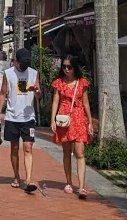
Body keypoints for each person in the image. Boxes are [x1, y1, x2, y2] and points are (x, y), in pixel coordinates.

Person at [0, 48, 40, 193]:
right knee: (14, 148)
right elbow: (3, 93)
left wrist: (36, 91)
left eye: (26, 64)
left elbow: (39, 95)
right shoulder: (8, 74)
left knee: (28, 147)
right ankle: (16, 176)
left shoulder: (33, 73)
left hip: (28, 117)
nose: (24, 67)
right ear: (16, 61)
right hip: (12, 116)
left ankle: (28, 180)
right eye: (22, 64)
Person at [50, 55, 93, 199]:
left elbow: (86, 103)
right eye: (64, 67)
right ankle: (68, 182)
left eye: (69, 67)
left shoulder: (82, 83)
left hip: (79, 118)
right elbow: (55, 102)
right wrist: (52, 120)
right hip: (64, 119)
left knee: (80, 152)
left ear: (74, 67)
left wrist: (90, 122)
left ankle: (81, 186)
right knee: (66, 152)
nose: (66, 70)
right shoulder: (59, 83)